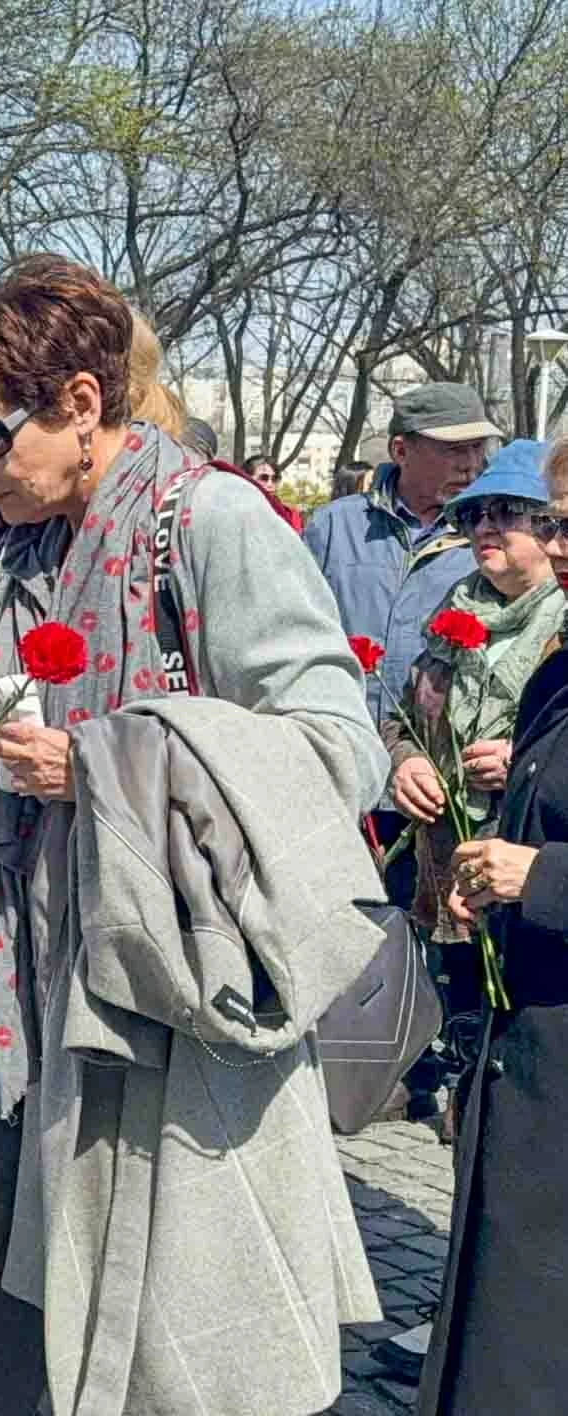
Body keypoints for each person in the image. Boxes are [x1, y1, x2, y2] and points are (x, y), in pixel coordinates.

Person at [0, 254, 385, 1416]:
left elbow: (340, 746)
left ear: (82, 405)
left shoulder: (209, 519)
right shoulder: (12, 544)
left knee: (146, 1313)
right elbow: (8, 724)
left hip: (158, 986)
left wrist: (101, 763)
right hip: (15, 972)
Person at [416, 438, 568, 1413]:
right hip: (530, 1056)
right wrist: (491, 866)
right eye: (561, 523)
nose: (559, 549)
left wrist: (542, 877)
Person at [387, 441, 565, 1093]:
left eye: (507, 512)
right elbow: (401, 719)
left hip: (535, 896)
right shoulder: (451, 614)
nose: (484, 527)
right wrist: (405, 762)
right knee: (467, 1067)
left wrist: (525, 759)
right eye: (472, 515)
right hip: (448, 877)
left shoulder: (560, 625)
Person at [304, 382, 494, 731]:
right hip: (341, 741)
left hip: (433, 761)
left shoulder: (490, 536)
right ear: (401, 451)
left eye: (478, 448)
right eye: (453, 450)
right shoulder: (333, 527)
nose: (470, 465)